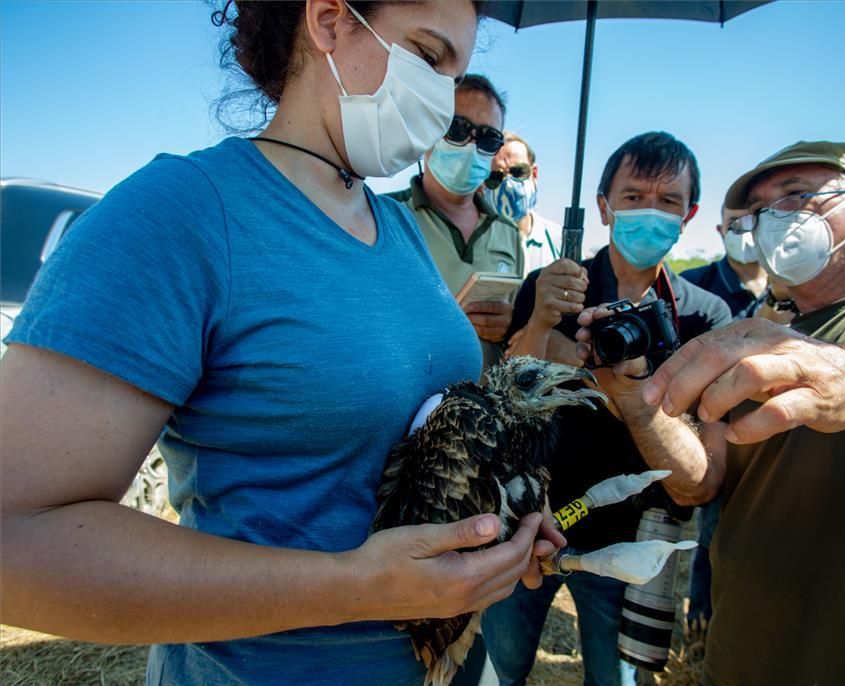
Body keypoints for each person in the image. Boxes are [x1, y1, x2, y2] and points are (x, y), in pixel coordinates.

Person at [0, 3, 565, 686]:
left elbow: (413, 433)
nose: (443, 97)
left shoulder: (400, 230)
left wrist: (497, 518)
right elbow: (17, 539)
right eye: (427, 55)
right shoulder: (181, 211)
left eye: (457, 73)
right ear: (329, 21)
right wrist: (355, 587)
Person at [636, 141, 845, 685]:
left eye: (797, 196)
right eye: (760, 212)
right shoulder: (748, 334)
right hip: (747, 658)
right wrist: (638, 400)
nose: (776, 221)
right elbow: (701, 483)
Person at [482, 131, 732, 686]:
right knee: (502, 668)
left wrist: (604, 377)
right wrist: (542, 323)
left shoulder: (705, 318)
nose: (650, 211)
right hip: (529, 524)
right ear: (603, 205)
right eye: (634, 195)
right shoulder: (555, 289)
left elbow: (700, 475)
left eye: (668, 201)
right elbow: (504, 395)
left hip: (627, 539)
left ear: (689, 214)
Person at [388, 75, 524, 374]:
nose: (471, 146)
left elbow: (517, 338)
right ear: (428, 131)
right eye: (457, 129)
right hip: (411, 410)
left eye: (487, 138)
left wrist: (509, 323)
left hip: (486, 412)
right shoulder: (384, 216)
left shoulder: (508, 233)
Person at [678, 206, 766, 625]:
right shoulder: (696, 289)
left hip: (767, 444)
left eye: (757, 219)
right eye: (736, 223)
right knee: (711, 535)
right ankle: (701, 616)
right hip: (714, 437)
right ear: (718, 229)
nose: (746, 232)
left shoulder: (786, 292)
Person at [485, 132, 562, 276]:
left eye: (518, 172)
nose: (507, 184)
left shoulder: (560, 241)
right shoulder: (477, 242)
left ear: (534, 174)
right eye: (496, 176)